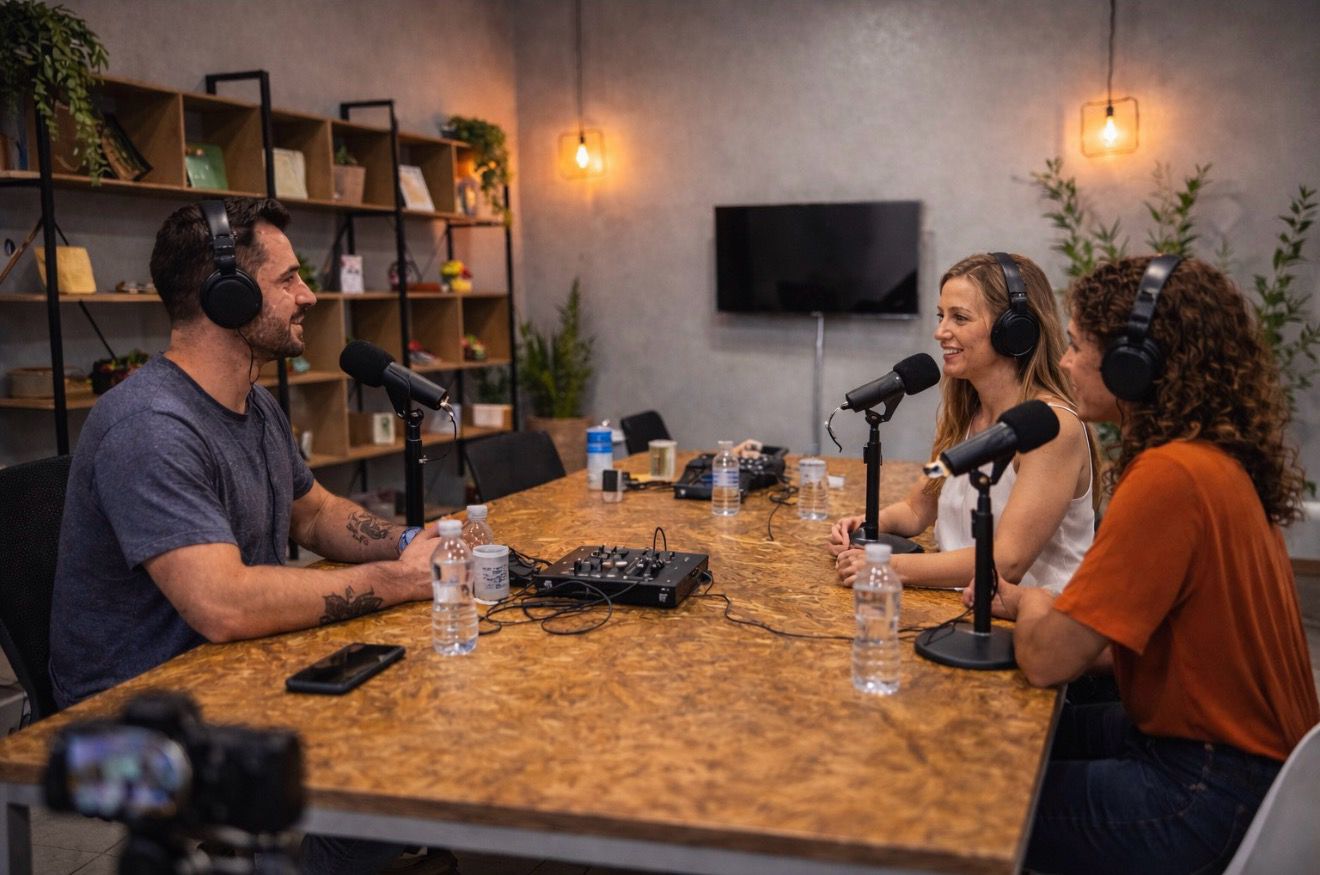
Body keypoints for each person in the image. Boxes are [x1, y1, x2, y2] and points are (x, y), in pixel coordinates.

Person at [48, 198, 446, 874]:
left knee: (416, 714)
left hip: (229, 674)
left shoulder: (253, 402)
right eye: (288, 279)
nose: (308, 295)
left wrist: (410, 543)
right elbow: (224, 604)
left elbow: (312, 514)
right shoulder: (150, 427)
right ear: (226, 295)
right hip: (130, 725)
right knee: (386, 760)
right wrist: (395, 581)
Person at [1013, 256, 1319, 873]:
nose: (1065, 362)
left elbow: (1046, 661)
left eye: (1076, 345)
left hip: (1206, 788)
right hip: (1239, 761)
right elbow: (1131, 642)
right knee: (1007, 739)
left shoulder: (1169, 476)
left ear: (1133, 364)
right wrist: (1043, 611)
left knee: (974, 793)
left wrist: (1035, 599)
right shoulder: (1210, 459)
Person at [829, 252, 1098, 606]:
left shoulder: (1052, 427)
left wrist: (885, 565)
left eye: (959, 317)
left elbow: (1007, 561)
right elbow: (917, 510)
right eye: (941, 316)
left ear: (1014, 330)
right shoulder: (965, 415)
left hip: (1030, 622)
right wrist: (864, 525)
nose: (940, 332)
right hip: (956, 608)